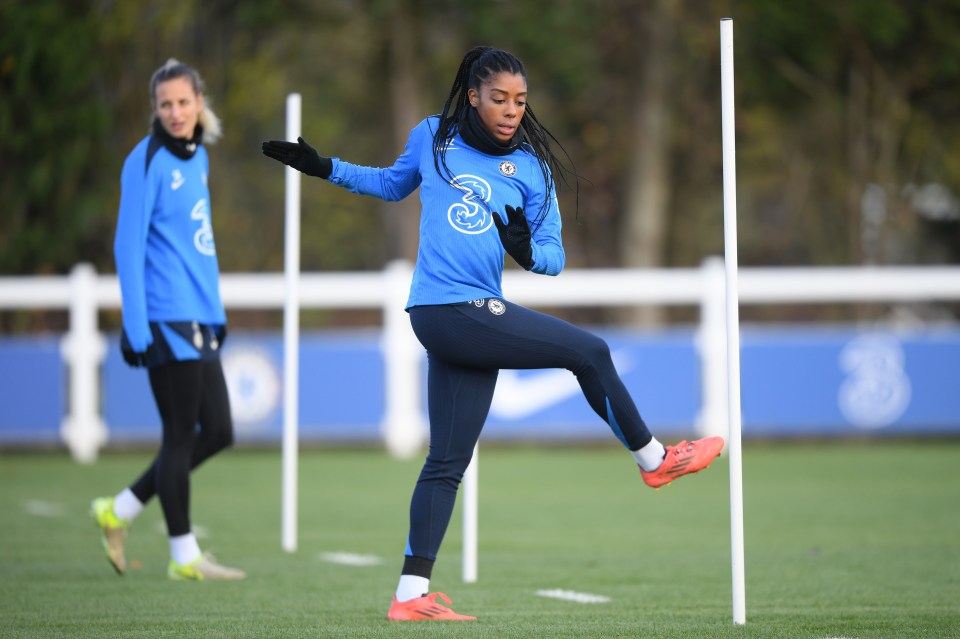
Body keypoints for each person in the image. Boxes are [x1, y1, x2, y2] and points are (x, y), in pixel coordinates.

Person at [262, 45, 723, 620]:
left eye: (520, 101)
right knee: (590, 351)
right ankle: (654, 460)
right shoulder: (432, 137)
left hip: (476, 314)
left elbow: (554, 257)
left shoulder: (531, 167)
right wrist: (323, 166)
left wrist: (528, 251)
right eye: (499, 98)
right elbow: (388, 185)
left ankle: (408, 597)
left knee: (446, 463)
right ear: (474, 95)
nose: (511, 110)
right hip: (444, 309)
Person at [90, 58, 245, 582]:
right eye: (165, 105)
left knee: (219, 431)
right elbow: (127, 244)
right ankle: (184, 557)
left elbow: (196, 246)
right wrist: (135, 327)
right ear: (154, 109)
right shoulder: (147, 159)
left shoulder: (196, 155)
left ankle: (121, 510)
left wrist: (216, 313)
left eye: (183, 102)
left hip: (198, 313)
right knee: (179, 433)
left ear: (199, 102)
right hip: (162, 314)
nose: (175, 113)